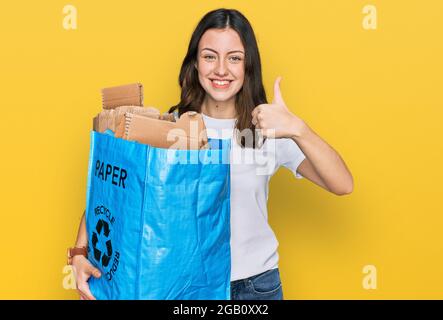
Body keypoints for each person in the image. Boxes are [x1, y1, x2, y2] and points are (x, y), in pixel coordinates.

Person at [70, 8, 353, 301]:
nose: (221, 69)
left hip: (254, 288)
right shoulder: (169, 127)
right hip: (184, 286)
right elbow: (116, 193)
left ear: (248, 66)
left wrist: (298, 129)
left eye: (234, 58)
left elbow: (342, 184)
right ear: (195, 63)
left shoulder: (268, 127)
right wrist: (79, 253)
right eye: (209, 56)